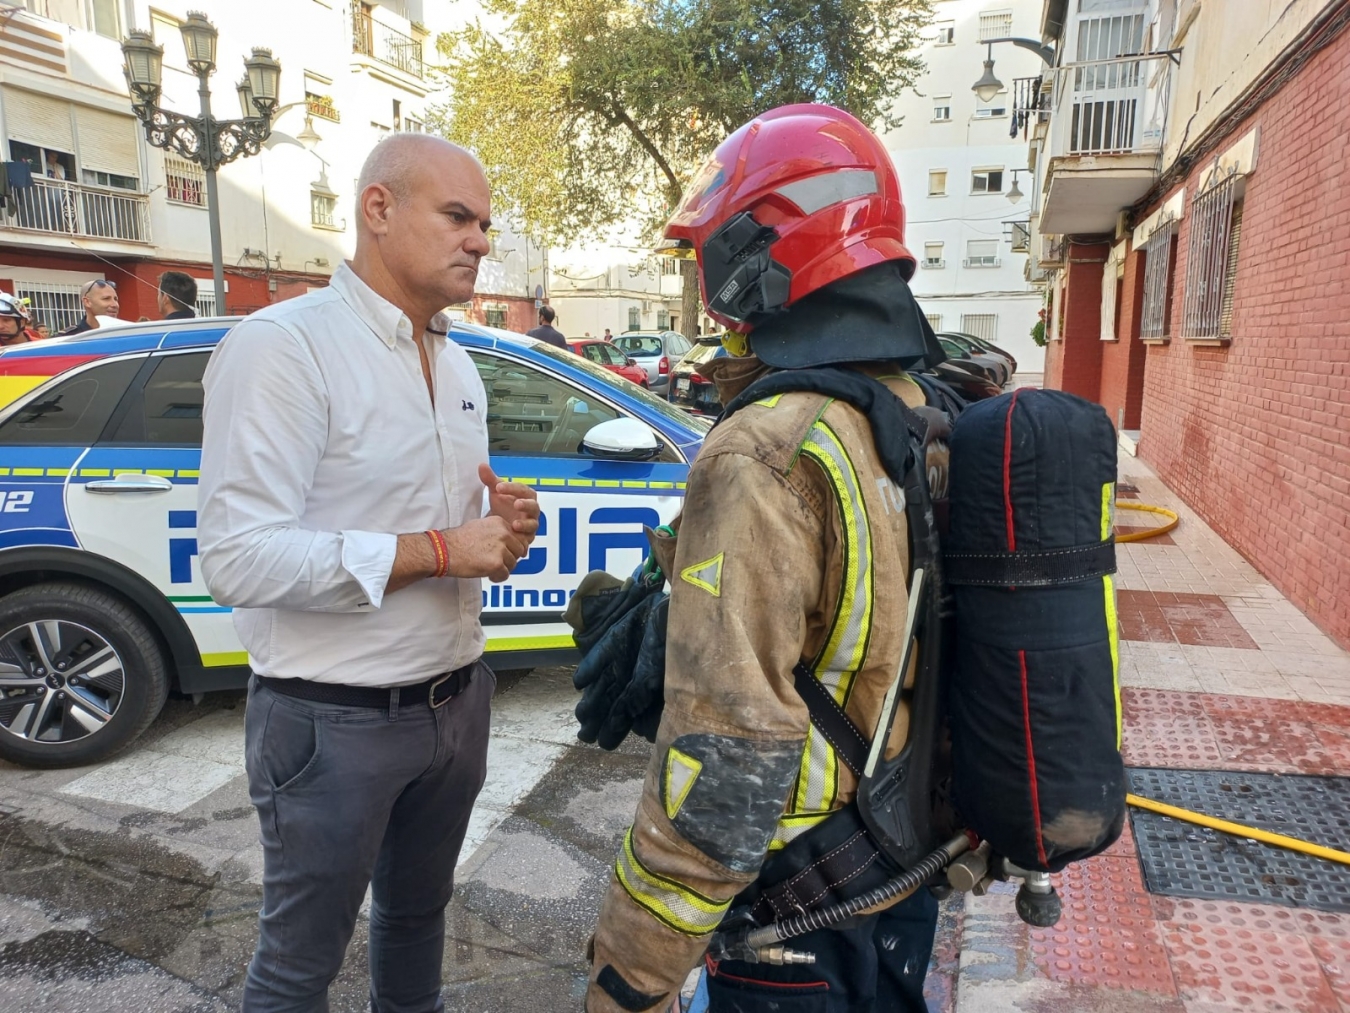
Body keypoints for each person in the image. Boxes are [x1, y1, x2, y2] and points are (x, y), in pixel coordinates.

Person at [584, 105, 949, 1013]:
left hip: (792, 912)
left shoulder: (764, 450)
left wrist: (633, 976)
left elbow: (729, 750)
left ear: (763, 246)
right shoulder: (918, 410)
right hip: (900, 872)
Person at [197, 133, 540, 1012]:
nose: (481, 241)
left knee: (420, 917)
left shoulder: (459, 361)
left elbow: (445, 535)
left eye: (486, 224)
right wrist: (438, 549)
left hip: (456, 701)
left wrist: (497, 533)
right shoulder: (284, 346)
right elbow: (237, 555)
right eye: (458, 216)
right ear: (377, 209)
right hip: (329, 722)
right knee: (297, 965)